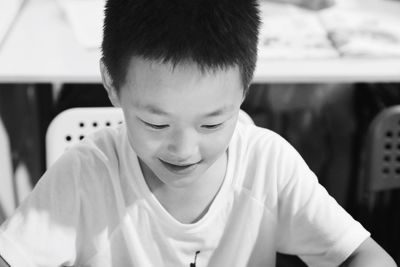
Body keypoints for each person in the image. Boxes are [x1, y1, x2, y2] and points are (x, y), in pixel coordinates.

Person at [0, 0, 397, 266]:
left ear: (245, 88)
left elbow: (363, 255)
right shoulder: (85, 176)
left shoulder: (268, 165)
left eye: (212, 124)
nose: (184, 150)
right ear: (111, 84)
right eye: (156, 124)